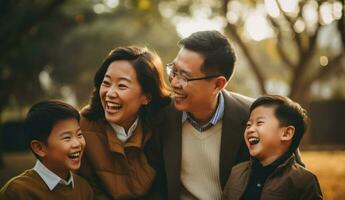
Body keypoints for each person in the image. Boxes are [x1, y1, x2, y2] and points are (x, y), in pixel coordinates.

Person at [160, 30, 304, 200]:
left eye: (184, 77)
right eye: (174, 71)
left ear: (218, 84)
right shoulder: (161, 114)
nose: (174, 82)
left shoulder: (255, 117)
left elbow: (296, 180)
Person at [78, 46, 170, 199]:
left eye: (122, 86)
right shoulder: (81, 127)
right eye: (106, 83)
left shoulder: (161, 125)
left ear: (147, 96)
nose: (110, 93)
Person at [223, 95, 322, 200]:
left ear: (286, 133)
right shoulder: (236, 172)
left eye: (259, 123)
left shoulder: (303, 181)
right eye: (248, 125)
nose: (250, 129)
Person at [0, 100, 93, 200]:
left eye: (79, 134)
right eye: (67, 137)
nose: (78, 143)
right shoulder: (17, 192)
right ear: (39, 148)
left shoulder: (84, 188)